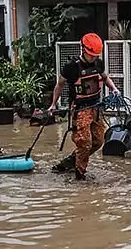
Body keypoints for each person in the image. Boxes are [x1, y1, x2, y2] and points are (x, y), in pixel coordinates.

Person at [48, 32, 120, 180]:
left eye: (95, 55)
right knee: (84, 143)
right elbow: (59, 85)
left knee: (98, 141)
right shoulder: (71, 67)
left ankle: (70, 162)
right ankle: (80, 176)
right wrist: (53, 104)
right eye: (91, 55)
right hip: (80, 110)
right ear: (83, 50)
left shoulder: (99, 64)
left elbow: (105, 78)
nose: (93, 58)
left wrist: (114, 88)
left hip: (96, 108)